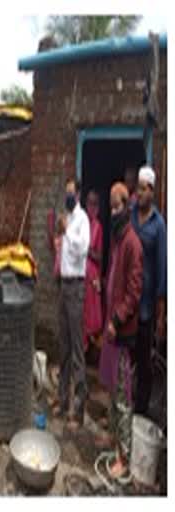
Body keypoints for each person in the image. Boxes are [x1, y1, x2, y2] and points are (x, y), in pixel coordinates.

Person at [95, 183, 143, 476]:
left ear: (128, 206)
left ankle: (124, 459)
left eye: (117, 206)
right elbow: (115, 280)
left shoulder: (132, 244)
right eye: (111, 206)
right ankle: (114, 437)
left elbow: (134, 293)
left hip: (123, 332)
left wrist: (115, 320)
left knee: (124, 396)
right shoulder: (117, 240)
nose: (114, 211)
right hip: (112, 328)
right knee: (113, 388)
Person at [52, 177, 91, 431]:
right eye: (65, 192)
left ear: (78, 194)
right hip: (63, 286)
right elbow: (64, 253)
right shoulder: (66, 217)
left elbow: (83, 249)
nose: (67, 197)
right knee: (63, 345)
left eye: (70, 193)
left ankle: (78, 409)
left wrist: (67, 233)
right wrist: (59, 240)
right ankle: (62, 398)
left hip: (76, 287)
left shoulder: (82, 220)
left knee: (77, 348)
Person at [131, 165, 167, 416]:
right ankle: (127, 408)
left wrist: (161, 313)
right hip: (129, 303)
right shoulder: (131, 216)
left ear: (152, 191)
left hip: (145, 306)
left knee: (144, 363)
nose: (140, 193)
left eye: (144, 189)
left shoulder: (159, 225)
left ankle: (140, 414)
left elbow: (163, 269)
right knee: (128, 360)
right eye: (138, 188)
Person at [84, 190, 104, 351]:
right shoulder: (82, 223)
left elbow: (99, 256)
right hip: (82, 277)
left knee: (92, 317)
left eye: (94, 204)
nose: (91, 208)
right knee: (82, 314)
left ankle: (92, 351)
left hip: (92, 277)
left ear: (97, 207)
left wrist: (88, 251)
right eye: (89, 203)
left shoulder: (98, 227)